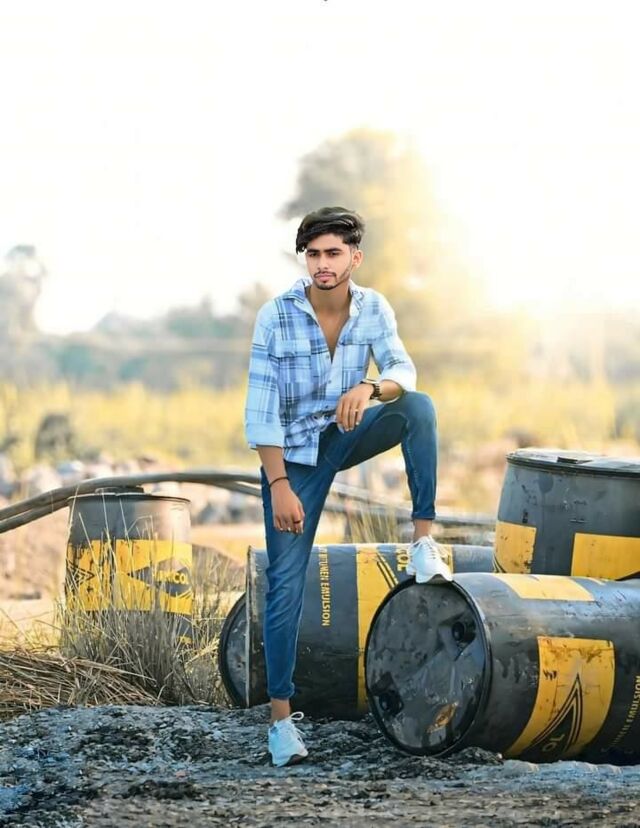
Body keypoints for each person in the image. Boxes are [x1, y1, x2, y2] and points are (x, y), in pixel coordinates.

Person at [244, 206, 451, 767]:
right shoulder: (276, 316)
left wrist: (371, 388)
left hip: (347, 431)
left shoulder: (374, 307)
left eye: (333, 253)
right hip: (294, 460)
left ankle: (423, 540)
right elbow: (260, 412)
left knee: (419, 409)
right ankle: (281, 723)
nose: (322, 264)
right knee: (286, 584)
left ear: (354, 257)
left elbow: (403, 369)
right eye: (313, 254)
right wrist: (279, 484)